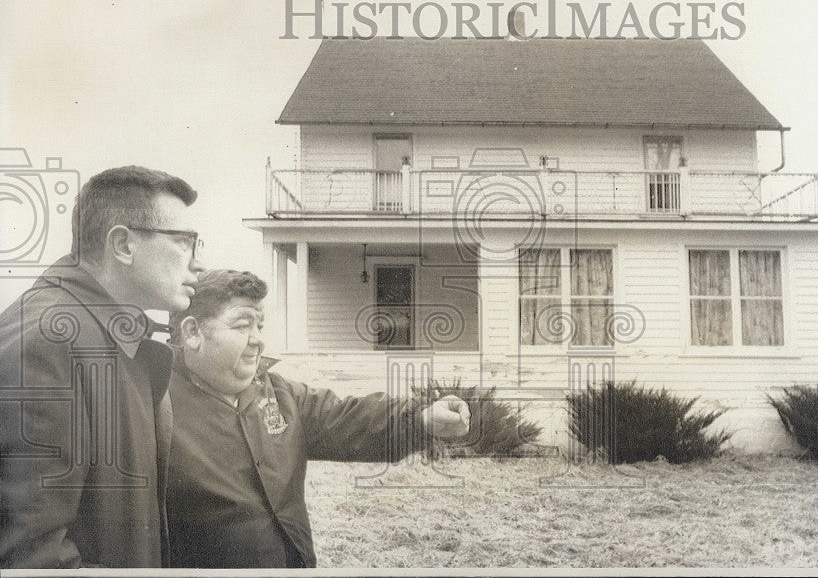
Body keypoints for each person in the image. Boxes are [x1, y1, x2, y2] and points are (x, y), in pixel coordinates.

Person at [165, 269, 471, 568]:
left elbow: (348, 418)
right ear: (193, 332)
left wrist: (421, 418)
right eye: (242, 325)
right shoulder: (156, 406)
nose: (258, 340)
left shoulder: (281, 395)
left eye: (260, 326)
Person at [0, 166, 204, 568]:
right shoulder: (50, 341)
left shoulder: (99, 334)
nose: (197, 263)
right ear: (123, 245)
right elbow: (32, 560)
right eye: (184, 243)